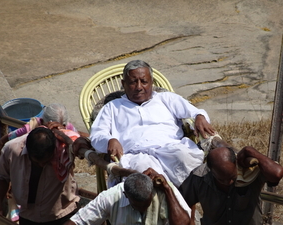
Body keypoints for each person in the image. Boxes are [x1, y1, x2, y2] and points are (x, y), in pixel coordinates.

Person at [90, 59, 215, 187]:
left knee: (184, 156)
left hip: (171, 149)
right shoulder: (112, 107)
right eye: (133, 82)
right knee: (142, 171)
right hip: (136, 155)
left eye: (144, 81)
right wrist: (110, 140)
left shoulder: (166, 98)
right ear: (124, 84)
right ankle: (158, 204)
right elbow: (97, 134)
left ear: (151, 82)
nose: (139, 87)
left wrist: (199, 116)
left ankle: (186, 201)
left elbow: (195, 112)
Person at [0, 127, 80, 225]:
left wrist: (60, 130)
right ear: (28, 151)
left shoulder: (63, 150)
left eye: (46, 161)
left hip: (62, 215)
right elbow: (1, 176)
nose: (42, 165)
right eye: (37, 162)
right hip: (28, 216)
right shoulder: (12, 149)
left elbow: (82, 142)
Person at [179, 146, 283, 225]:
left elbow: (277, 173)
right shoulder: (199, 177)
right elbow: (182, 204)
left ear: (236, 164)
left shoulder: (249, 172)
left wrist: (250, 151)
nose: (228, 182)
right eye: (221, 179)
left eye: (232, 177)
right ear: (210, 170)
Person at [63, 168, 191, 225]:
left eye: (147, 204)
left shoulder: (163, 190)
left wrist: (168, 189)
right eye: (138, 206)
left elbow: (183, 223)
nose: (143, 210)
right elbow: (79, 221)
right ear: (126, 196)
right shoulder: (111, 197)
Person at [0, 103, 88, 150]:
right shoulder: (30, 128)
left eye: (61, 127)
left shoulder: (68, 128)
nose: (58, 130)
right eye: (53, 127)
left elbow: (79, 136)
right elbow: (3, 141)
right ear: (42, 121)